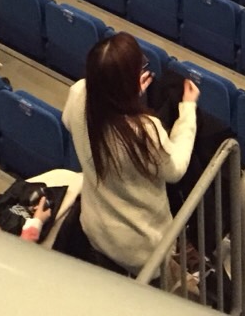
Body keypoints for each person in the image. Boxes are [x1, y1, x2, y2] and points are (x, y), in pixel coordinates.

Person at [61, 33, 199, 279]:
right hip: (142, 250)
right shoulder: (143, 130)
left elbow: (71, 120)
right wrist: (188, 110)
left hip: (96, 229)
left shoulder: (78, 93)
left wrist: (128, 96)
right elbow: (175, 169)